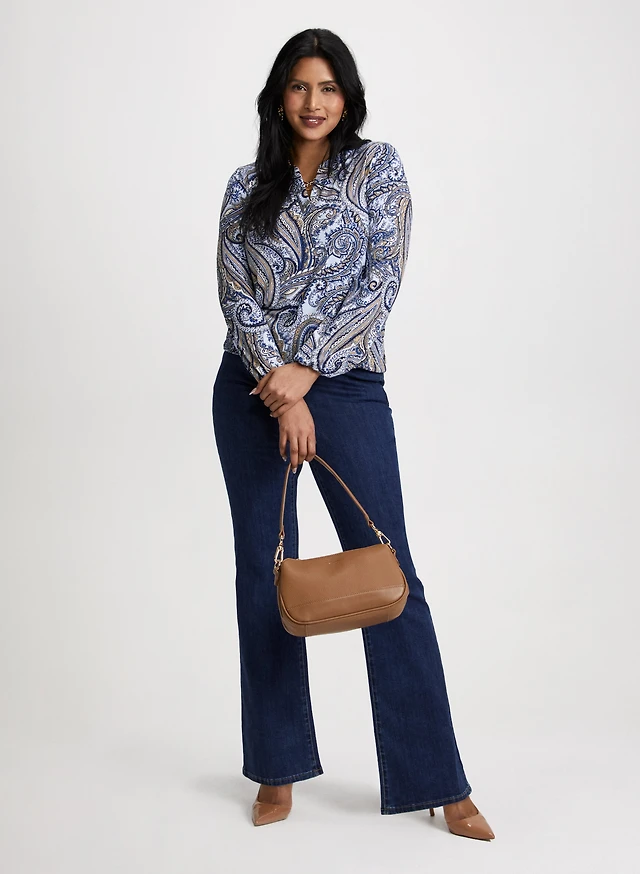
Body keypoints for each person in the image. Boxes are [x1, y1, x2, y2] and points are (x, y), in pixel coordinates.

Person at [211, 27, 495, 841]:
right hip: (253, 388)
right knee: (264, 573)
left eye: (328, 88)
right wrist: (279, 385)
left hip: (346, 384)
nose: (314, 102)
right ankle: (275, 766)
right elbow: (234, 293)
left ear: (348, 97)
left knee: (387, 569)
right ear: (279, 97)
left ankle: (437, 779)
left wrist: (308, 372)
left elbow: (381, 279)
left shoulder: (377, 168)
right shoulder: (245, 185)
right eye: (300, 87)